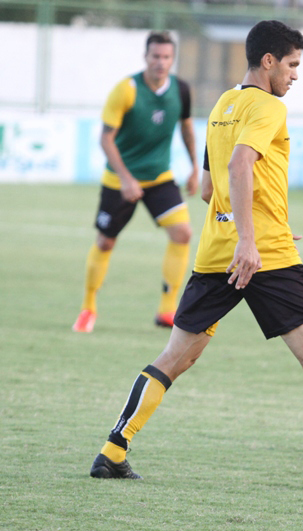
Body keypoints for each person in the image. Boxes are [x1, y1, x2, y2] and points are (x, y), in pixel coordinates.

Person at [89, 20, 303, 493]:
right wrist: (253, 237)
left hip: (215, 252)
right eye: (292, 64)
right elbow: (240, 165)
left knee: (175, 357)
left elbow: (211, 189)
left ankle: (112, 451)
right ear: (268, 61)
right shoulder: (268, 106)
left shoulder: (222, 105)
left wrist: (251, 222)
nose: (295, 75)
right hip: (263, 254)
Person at [72, 31, 199, 333]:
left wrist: (195, 168)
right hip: (119, 180)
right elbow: (106, 139)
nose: (161, 62)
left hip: (159, 177)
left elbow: (187, 129)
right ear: (146, 57)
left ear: (172, 59)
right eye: (155, 56)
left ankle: (167, 311)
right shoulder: (126, 90)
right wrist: (127, 179)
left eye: (167, 57)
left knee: (182, 233)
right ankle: (88, 308)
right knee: (105, 241)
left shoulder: (180, 90)